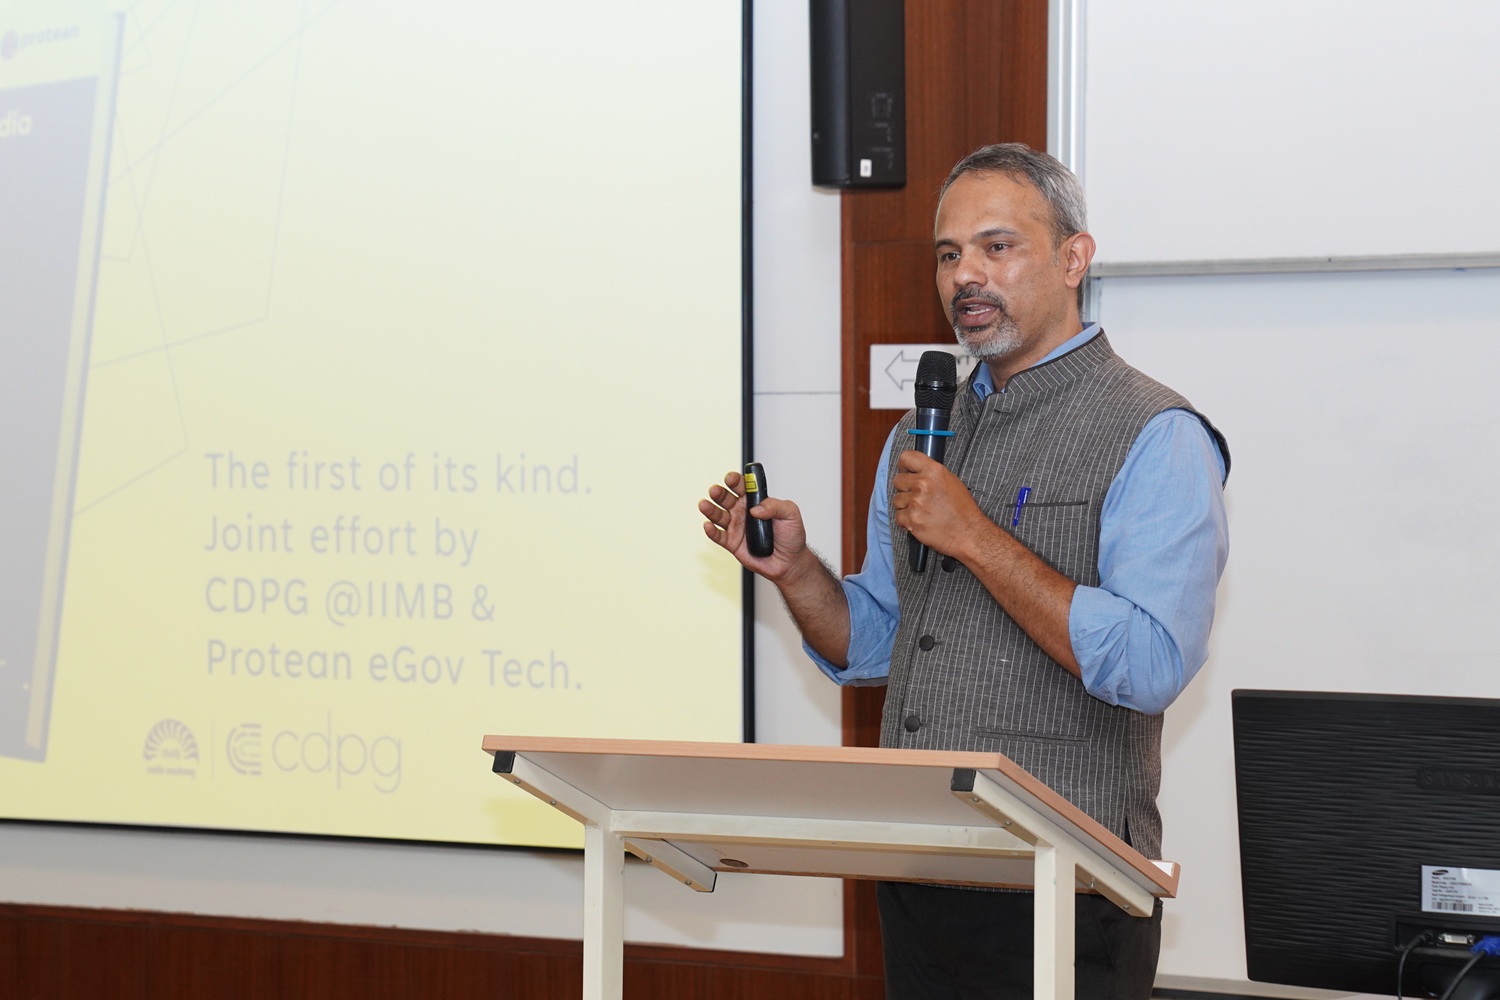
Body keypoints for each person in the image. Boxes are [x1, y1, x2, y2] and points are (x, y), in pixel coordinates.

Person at [700, 142, 1229, 1000]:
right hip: (920, 871)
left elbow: (1151, 662)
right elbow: (877, 642)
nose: (965, 276)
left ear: (1073, 259)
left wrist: (977, 536)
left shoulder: (1157, 432)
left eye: (996, 246)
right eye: (948, 255)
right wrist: (797, 574)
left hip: (1067, 887)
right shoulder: (922, 434)